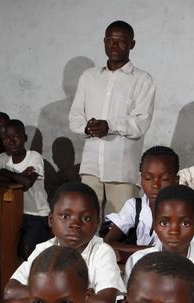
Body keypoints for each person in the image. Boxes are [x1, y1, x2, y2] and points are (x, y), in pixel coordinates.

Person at [69, 20, 156, 215]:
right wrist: (88, 127)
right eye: (110, 41)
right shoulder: (89, 77)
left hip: (122, 171)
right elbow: (75, 117)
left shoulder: (142, 80)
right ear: (104, 42)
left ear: (132, 44)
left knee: (121, 228)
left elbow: (140, 124)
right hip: (91, 167)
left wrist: (110, 126)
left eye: (121, 41)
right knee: (86, 220)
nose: (114, 46)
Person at [0, 182, 123, 303]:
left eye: (86, 218)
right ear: (51, 220)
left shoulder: (102, 252)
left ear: (97, 223)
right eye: (65, 216)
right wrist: (78, 299)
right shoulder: (43, 249)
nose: (75, 224)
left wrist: (40, 302)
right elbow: (11, 291)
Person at [0, 119, 51, 258]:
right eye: (6, 138)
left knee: (27, 251)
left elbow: (27, 183)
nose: (11, 141)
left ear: (24, 138)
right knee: (7, 248)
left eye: (16, 137)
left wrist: (3, 172)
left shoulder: (34, 157)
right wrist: (14, 175)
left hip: (37, 214)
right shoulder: (3, 158)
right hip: (13, 211)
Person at [103, 146, 179, 262]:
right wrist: (154, 251)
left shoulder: (185, 209)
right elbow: (109, 243)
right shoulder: (135, 206)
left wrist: (130, 253)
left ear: (176, 180)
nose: (156, 185)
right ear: (141, 178)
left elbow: (179, 253)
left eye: (164, 179)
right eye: (148, 178)